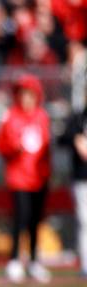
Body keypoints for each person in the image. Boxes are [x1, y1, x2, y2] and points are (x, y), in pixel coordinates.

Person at [0, 73, 52, 283]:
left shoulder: (42, 116)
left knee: (36, 220)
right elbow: (0, 144)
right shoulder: (11, 116)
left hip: (39, 177)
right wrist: (15, 147)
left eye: (30, 94)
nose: (27, 98)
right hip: (18, 177)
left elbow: (46, 148)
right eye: (23, 94)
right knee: (21, 219)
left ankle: (35, 260)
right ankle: (15, 260)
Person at [63, 102, 87, 277]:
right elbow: (62, 138)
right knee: (84, 221)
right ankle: (86, 264)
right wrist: (75, 139)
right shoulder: (79, 118)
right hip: (82, 178)